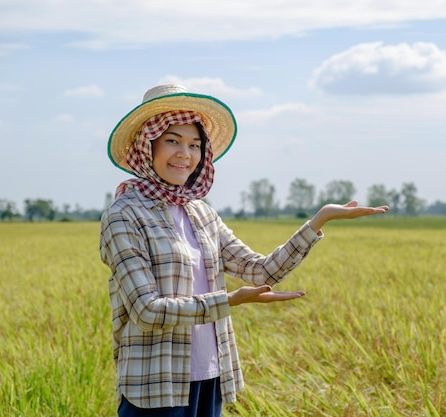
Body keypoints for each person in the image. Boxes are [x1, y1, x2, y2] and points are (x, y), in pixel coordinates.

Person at [99, 84, 389, 417]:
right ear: (145, 146)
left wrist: (318, 221)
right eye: (172, 141)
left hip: (210, 375)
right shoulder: (124, 214)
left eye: (195, 144)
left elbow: (260, 271)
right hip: (156, 385)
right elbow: (147, 311)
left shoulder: (199, 212)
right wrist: (231, 300)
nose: (185, 154)